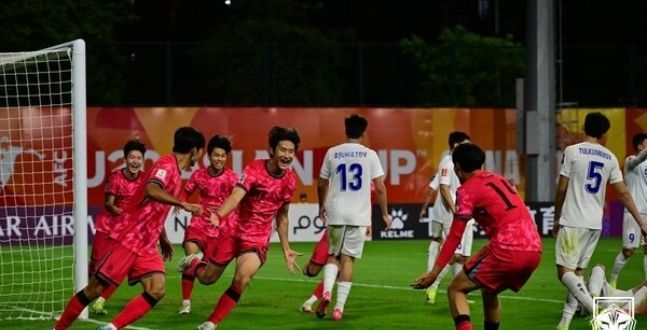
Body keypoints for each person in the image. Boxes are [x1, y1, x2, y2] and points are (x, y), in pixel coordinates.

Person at [52, 127, 205, 330]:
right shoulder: (167, 165)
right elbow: (152, 189)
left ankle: (110, 328)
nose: (201, 156)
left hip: (146, 244)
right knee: (95, 288)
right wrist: (183, 204)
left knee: (156, 289)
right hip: (128, 238)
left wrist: (162, 237)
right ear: (194, 150)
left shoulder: (175, 172)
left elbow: (152, 210)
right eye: (201, 151)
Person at [177, 126, 303, 330]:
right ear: (272, 150)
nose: (287, 155)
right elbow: (236, 196)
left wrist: (286, 248)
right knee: (208, 278)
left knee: (241, 278)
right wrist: (218, 215)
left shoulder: (290, 181)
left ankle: (211, 323)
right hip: (232, 232)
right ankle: (193, 261)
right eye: (283, 149)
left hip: (257, 240)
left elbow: (282, 215)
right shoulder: (254, 169)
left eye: (291, 151)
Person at [412, 143, 542, 330]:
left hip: (507, 247)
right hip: (534, 248)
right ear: (482, 164)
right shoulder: (500, 179)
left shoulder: (466, 190)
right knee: (489, 290)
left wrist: (434, 273)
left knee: (455, 290)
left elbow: (455, 236)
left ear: (457, 167)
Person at [552, 112, 647, 330]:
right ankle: (564, 323)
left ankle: (600, 312)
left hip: (574, 220)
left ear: (584, 127)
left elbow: (562, 188)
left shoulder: (572, 151)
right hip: (595, 224)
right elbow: (623, 193)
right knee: (577, 274)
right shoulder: (610, 157)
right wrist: (642, 224)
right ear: (604, 134)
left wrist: (558, 216)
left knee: (564, 272)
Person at [315, 114, 392, 321]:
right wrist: (384, 214)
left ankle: (327, 292)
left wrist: (321, 205)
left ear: (345, 130)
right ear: (364, 132)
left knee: (333, 256)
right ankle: (339, 308)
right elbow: (380, 187)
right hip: (359, 216)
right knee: (348, 260)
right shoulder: (370, 155)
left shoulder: (333, 152)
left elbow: (322, 183)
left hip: (336, 213)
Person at [177, 135, 238, 315]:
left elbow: (238, 201)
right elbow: (185, 192)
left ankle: (194, 261)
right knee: (191, 253)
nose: (219, 159)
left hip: (219, 229)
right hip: (199, 224)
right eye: (216, 155)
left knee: (205, 274)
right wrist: (180, 204)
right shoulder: (199, 175)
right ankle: (186, 303)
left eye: (223, 156)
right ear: (209, 156)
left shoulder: (232, 178)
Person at [89, 139, 147, 315]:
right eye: (132, 157)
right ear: (125, 159)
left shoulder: (145, 180)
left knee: (118, 267)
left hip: (129, 230)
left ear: (143, 160)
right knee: (97, 264)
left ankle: (100, 301)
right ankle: (86, 292)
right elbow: (108, 204)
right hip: (108, 225)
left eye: (139, 158)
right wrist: (124, 213)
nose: (135, 161)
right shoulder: (116, 177)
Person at [423, 132, 474, 304]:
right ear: (455, 145)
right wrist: (456, 210)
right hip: (456, 215)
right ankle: (433, 284)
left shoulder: (463, 163)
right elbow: (443, 188)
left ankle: (461, 294)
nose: (469, 147)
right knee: (454, 254)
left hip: (466, 212)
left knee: (464, 257)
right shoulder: (447, 162)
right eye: (466, 144)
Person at [610, 132, 647, 287]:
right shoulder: (631, 162)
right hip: (634, 212)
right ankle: (613, 279)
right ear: (640, 146)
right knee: (628, 250)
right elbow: (640, 159)